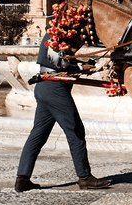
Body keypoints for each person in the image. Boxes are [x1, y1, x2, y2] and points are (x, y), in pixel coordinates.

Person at [15, 32, 111, 192]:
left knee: (38, 134)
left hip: (46, 87)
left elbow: (60, 62)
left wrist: (82, 66)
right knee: (75, 130)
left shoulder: (56, 34)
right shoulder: (54, 35)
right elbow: (56, 61)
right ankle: (85, 177)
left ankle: (22, 179)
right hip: (54, 89)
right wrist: (80, 66)